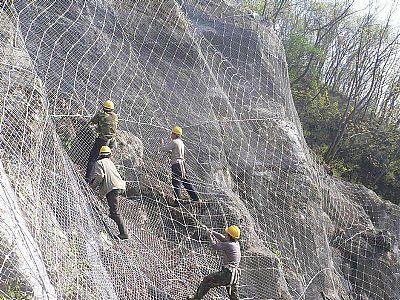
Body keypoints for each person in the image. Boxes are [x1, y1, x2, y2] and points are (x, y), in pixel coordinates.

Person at [187, 225, 241, 300]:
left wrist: (209, 236)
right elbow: (222, 237)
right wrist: (212, 232)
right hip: (235, 275)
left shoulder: (228, 245)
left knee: (207, 281)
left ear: (229, 236)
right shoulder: (236, 243)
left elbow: (214, 246)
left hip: (227, 273)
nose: (225, 235)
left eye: (227, 234)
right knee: (233, 295)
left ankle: (196, 298)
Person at [90, 146, 128, 240]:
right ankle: (112, 217)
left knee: (114, 212)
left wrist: (91, 187)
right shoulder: (110, 162)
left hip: (112, 188)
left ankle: (124, 234)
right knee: (112, 210)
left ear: (100, 155)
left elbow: (100, 176)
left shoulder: (99, 162)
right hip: (117, 186)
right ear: (110, 155)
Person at [160, 126, 200, 202]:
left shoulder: (174, 142)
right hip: (181, 164)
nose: (171, 135)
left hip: (177, 165)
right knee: (186, 182)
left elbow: (164, 149)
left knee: (176, 182)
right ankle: (195, 198)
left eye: (172, 133)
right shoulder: (180, 142)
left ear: (175, 134)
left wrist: (162, 143)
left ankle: (178, 201)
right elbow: (176, 152)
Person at [85, 100, 118, 181]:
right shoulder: (115, 116)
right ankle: (106, 179)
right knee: (106, 161)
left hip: (102, 141)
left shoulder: (100, 114)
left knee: (92, 159)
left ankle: (88, 178)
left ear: (104, 108)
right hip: (112, 141)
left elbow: (92, 122)